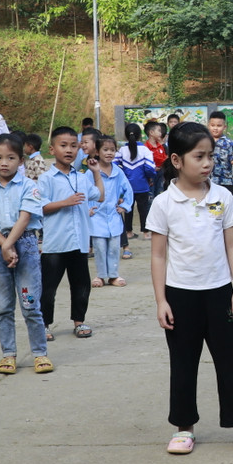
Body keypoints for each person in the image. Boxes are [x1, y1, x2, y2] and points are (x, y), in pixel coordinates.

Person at [147, 122, 233, 458]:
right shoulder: (163, 203)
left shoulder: (222, 196)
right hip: (180, 295)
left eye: (210, 156)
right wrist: (161, 300)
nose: (207, 163)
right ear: (176, 160)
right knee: (183, 363)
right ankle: (183, 428)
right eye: (199, 156)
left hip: (219, 293)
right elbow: (158, 255)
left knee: (231, 361)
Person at [0, 133, 52, 375]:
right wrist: (5, 246)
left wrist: (10, 244)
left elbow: (26, 216)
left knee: (30, 304)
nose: (4, 162)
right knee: (3, 306)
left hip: (26, 245)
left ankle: (40, 353)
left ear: (21, 161)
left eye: (11, 157)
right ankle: (8, 354)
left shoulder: (29, 186)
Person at [38, 126, 102, 342]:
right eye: (63, 145)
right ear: (52, 149)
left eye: (74, 146)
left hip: (79, 241)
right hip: (55, 243)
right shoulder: (46, 179)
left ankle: (79, 321)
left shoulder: (82, 177)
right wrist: (65, 202)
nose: (69, 150)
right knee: (48, 287)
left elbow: (99, 195)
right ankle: (44, 324)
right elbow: (40, 207)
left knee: (81, 284)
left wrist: (95, 173)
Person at [87, 135, 132, 288]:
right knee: (99, 247)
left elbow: (128, 190)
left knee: (114, 248)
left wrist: (125, 206)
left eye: (112, 150)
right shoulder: (91, 172)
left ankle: (113, 275)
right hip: (97, 217)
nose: (109, 153)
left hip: (113, 216)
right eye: (105, 150)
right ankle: (100, 275)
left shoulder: (119, 172)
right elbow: (83, 190)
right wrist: (87, 209)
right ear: (97, 152)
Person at [118, 122, 156, 255]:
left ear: (126, 136)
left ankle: (128, 232)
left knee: (127, 209)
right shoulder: (145, 150)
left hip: (127, 186)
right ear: (140, 135)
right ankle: (145, 232)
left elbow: (115, 166)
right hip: (142, 185)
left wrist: (124, 177)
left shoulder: (122, 150)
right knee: (143, 208)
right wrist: (150, 178)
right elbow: (150, 168)